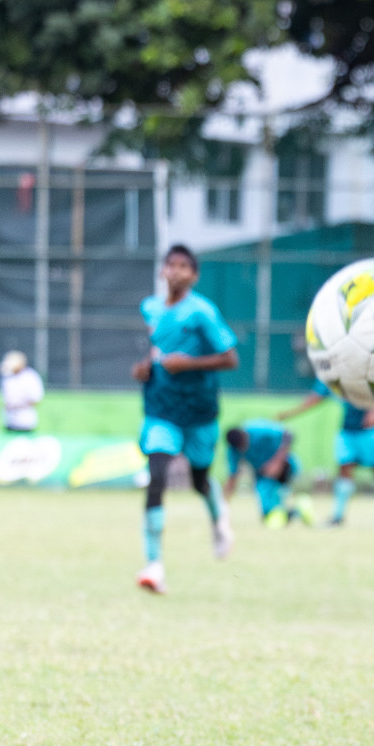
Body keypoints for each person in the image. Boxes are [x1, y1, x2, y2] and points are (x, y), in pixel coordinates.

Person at [132, 244, 239, 594]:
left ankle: (218, 516)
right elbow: (156, 350)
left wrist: (188, 364)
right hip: (161, 409)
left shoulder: (203, 312)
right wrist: (145, 369)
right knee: (157, 475)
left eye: (183, 266)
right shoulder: (151, 308)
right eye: (170, 265)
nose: (175, 271)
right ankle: (154, 565)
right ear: (163, 271)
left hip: (199, 410)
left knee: (198, 479)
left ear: (194, 275)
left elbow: (230, 358)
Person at [279, 381, 374, 527]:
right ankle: (338, 516)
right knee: (344, 469)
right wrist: (289, 414)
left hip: (371, 429)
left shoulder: (359, 364)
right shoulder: (330, 373)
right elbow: (315, 398)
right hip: (348, 430)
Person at [223, 420, 311, 527]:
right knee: (267, 514)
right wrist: (224, 504)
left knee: (275, 496)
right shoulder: (234, 450)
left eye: (244, 444)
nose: (243, 448)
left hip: (285, 465)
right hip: (263, 475)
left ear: (245, 434)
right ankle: (297, 510)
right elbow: (233, 476)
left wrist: (277, 462)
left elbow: (288, 434)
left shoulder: (258, 430)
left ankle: (299, 506)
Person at [0, 351, 43, 432]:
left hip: (25, 422)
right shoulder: (7, 377)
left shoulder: (30, 377)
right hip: (9, 421)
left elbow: (36, 399)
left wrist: (17, 405)